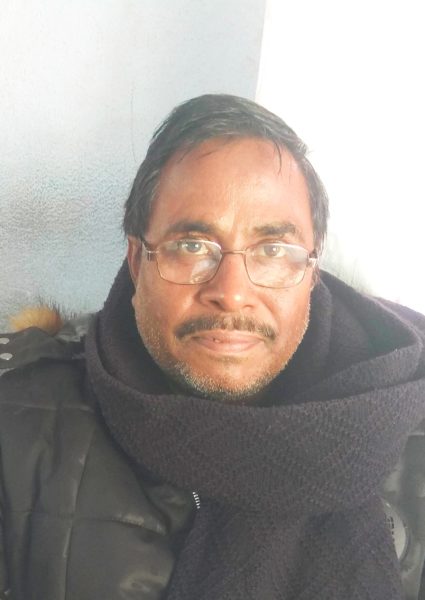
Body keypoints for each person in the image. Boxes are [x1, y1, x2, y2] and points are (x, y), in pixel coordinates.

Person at [0, 94, 425, 600]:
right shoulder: (17, 424)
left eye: (273, 250)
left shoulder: (410, 424)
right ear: (136, 262)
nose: (232, 291)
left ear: (312, 270)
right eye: (192, 245)